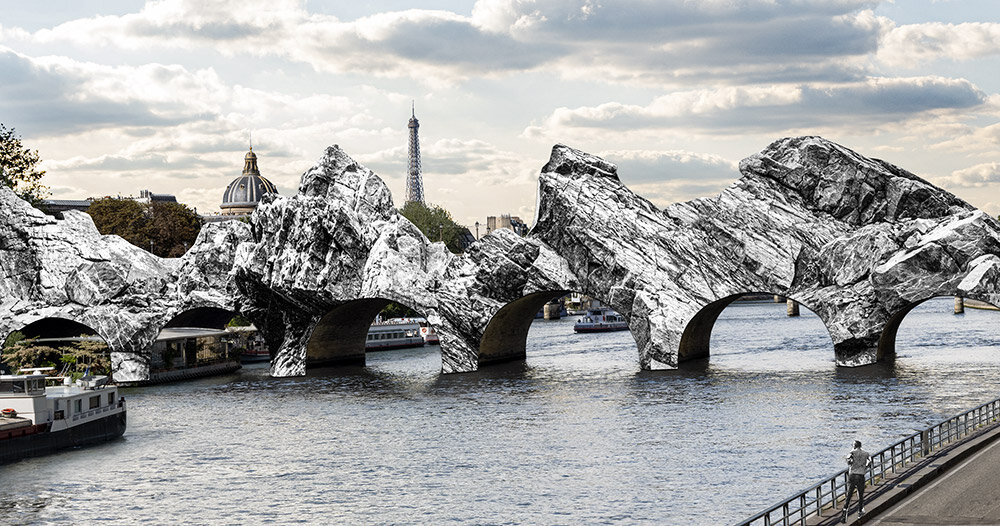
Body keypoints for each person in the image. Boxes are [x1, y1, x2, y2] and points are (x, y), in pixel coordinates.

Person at [843, 440, 872, 522]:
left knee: (849, 494)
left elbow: (848, 459)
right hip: (860, 475)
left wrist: (850, 463)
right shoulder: (866, 453)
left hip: (852, 475)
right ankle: (860, 511)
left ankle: (845, 509)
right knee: (860, 494)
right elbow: (870, 461)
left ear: (854, 446)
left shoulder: (852, 452)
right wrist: (865, 467)